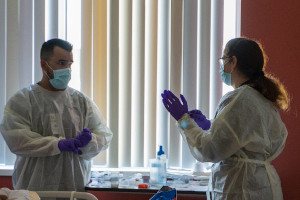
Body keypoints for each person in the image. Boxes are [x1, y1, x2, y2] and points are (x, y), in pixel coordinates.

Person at [161, 37, 289, 200]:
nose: (221, 66)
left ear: (233, 61)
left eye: (223, 59)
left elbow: (208, 150)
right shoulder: (261, 98)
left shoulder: (239, 99)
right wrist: (209, 126)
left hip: (242, 189)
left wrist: (183, 119)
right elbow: (241, 138)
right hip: (261, 186)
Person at [0, 38, 113, 192]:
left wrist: (90, 141)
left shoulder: (80, 101)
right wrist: (58, 144)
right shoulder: (23, 100)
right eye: (61, 63)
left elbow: (104, 135)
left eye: (70, 64)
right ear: (43, 64)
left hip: (74, 187)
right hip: (33, 187)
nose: (67, 69)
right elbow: (18, 140)